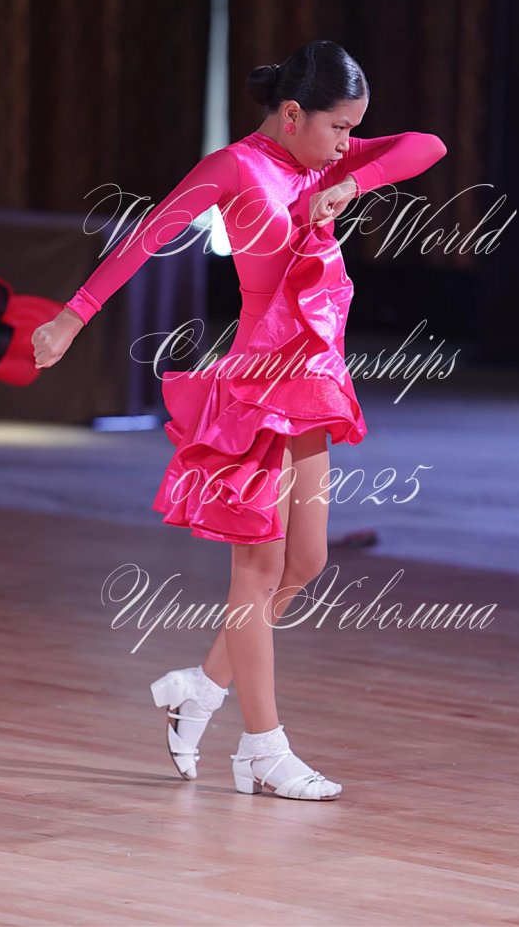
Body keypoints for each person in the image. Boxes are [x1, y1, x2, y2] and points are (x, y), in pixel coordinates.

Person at [32, 39, 447, 800]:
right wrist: (70, 317)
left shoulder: (327, 164)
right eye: (338, 128)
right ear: (292, 114)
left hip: (313, 382)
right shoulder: (233, 167)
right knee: (256, 571)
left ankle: (199, 690)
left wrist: (351, 182)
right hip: (257, 389)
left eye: (353, 131)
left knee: (306, 564)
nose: (347, 143)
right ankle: (263, 747)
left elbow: (428, 145)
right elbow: (147, 236)